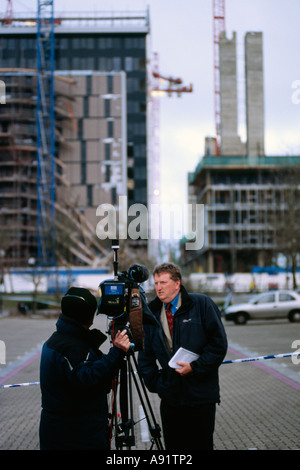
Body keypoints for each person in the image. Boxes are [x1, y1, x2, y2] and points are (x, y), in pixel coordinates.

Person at [138, 263, 228, 450]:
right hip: (170, 398)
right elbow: (145, 358)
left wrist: (195, 368)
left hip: (201, 396)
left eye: (163, 282)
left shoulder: (201, 304)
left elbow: (218, 345)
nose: (158, 287)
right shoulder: (151, 313)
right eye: (156, 283)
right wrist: (158, 385)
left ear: (177, 284)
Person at [39, 286, 130, 450]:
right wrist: (116, 352)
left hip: (62, 431)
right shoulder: (72, 348)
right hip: (76, 435)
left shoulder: (59, 340)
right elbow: (89, 379)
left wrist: (109, 357)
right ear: (87, 316)